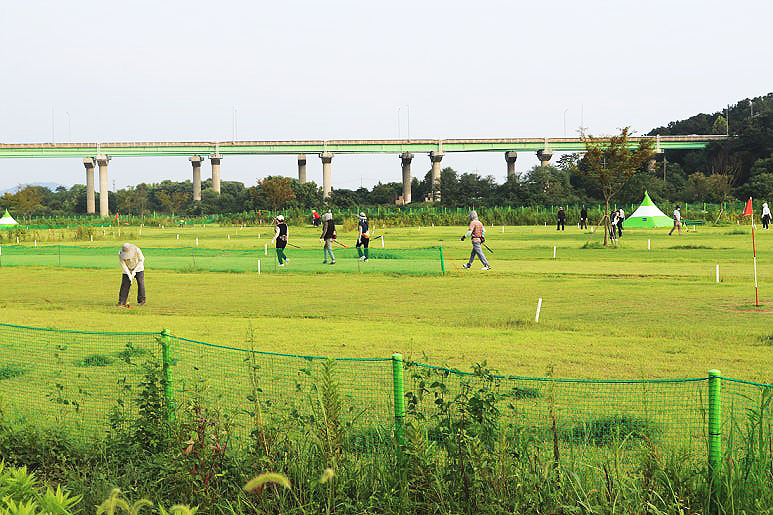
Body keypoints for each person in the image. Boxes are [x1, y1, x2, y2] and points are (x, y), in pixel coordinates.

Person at [118, 242, 145, 307]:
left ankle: (141, 301)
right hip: (127, 269)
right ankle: (122, 301)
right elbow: (123, 265)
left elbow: (141, 260)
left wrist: (134, 271)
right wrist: (129, 274)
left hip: (138, 268)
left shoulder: (137, 250)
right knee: (125, 284)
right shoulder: (120, 254)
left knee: (140, 283)